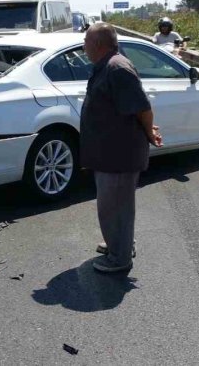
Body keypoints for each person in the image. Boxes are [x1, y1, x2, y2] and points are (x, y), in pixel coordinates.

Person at [81, 23, 162, 273]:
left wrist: (150, 132)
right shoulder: (107, 66)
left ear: (97, 44)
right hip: (109, 153)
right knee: (115, 206)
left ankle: (120, 257)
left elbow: (142, 108)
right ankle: (119, 244)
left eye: (86, 41)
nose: (83, 46)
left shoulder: (117, 68)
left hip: (119, 154)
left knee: (116, 207)